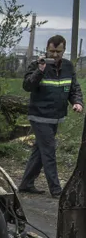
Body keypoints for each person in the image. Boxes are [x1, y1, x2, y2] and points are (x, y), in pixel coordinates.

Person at [18, 35, 84, 198]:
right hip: (39, 116)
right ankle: (56, 190)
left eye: (58, 51)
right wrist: (39, 71)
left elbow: (73, 87)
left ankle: (26, 184)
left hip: (56, 116)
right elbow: (27, 86)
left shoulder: (68, 67)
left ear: (64, 50)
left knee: (40, 151)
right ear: (47, 49)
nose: (55, 55)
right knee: (49, 151)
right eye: (52, 51)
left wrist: (77, 102)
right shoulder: (37, 65)